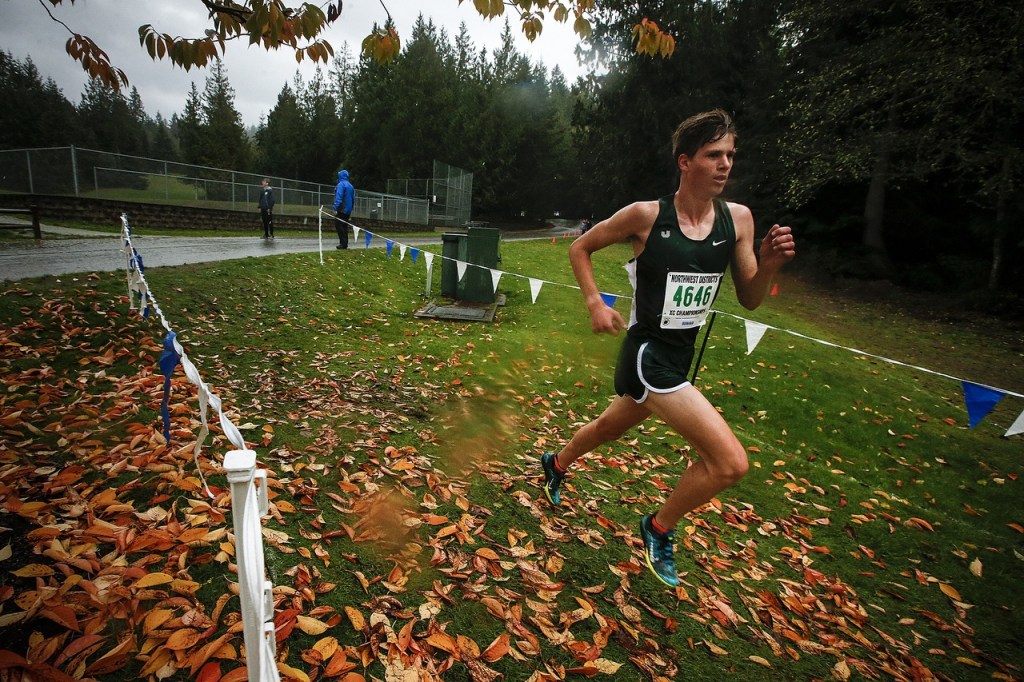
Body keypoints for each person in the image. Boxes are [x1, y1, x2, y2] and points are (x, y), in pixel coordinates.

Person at [540, 109, 796, 587]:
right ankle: (658, 528)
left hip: (680, 358)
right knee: (729, 463)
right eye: (713, 155)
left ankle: (555, 463)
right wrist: (596, 303)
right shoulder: (647, 215)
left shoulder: (737, 219)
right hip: (646, 355)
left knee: (608, 428)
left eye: (730, 156)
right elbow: (580, 248)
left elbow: (750, 298)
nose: (725, 165)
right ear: (685, 161)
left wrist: (768, 264)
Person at [333, 169, 355, 249]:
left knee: (338, 224)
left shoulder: (341, 185)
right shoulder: (350, 186)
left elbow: (339, 197)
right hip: (348, 210)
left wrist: (335, 208)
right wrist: (351, 208)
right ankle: (345, 243)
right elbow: (353, 199)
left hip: (342, 208)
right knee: (344, 226)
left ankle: (343, 244)